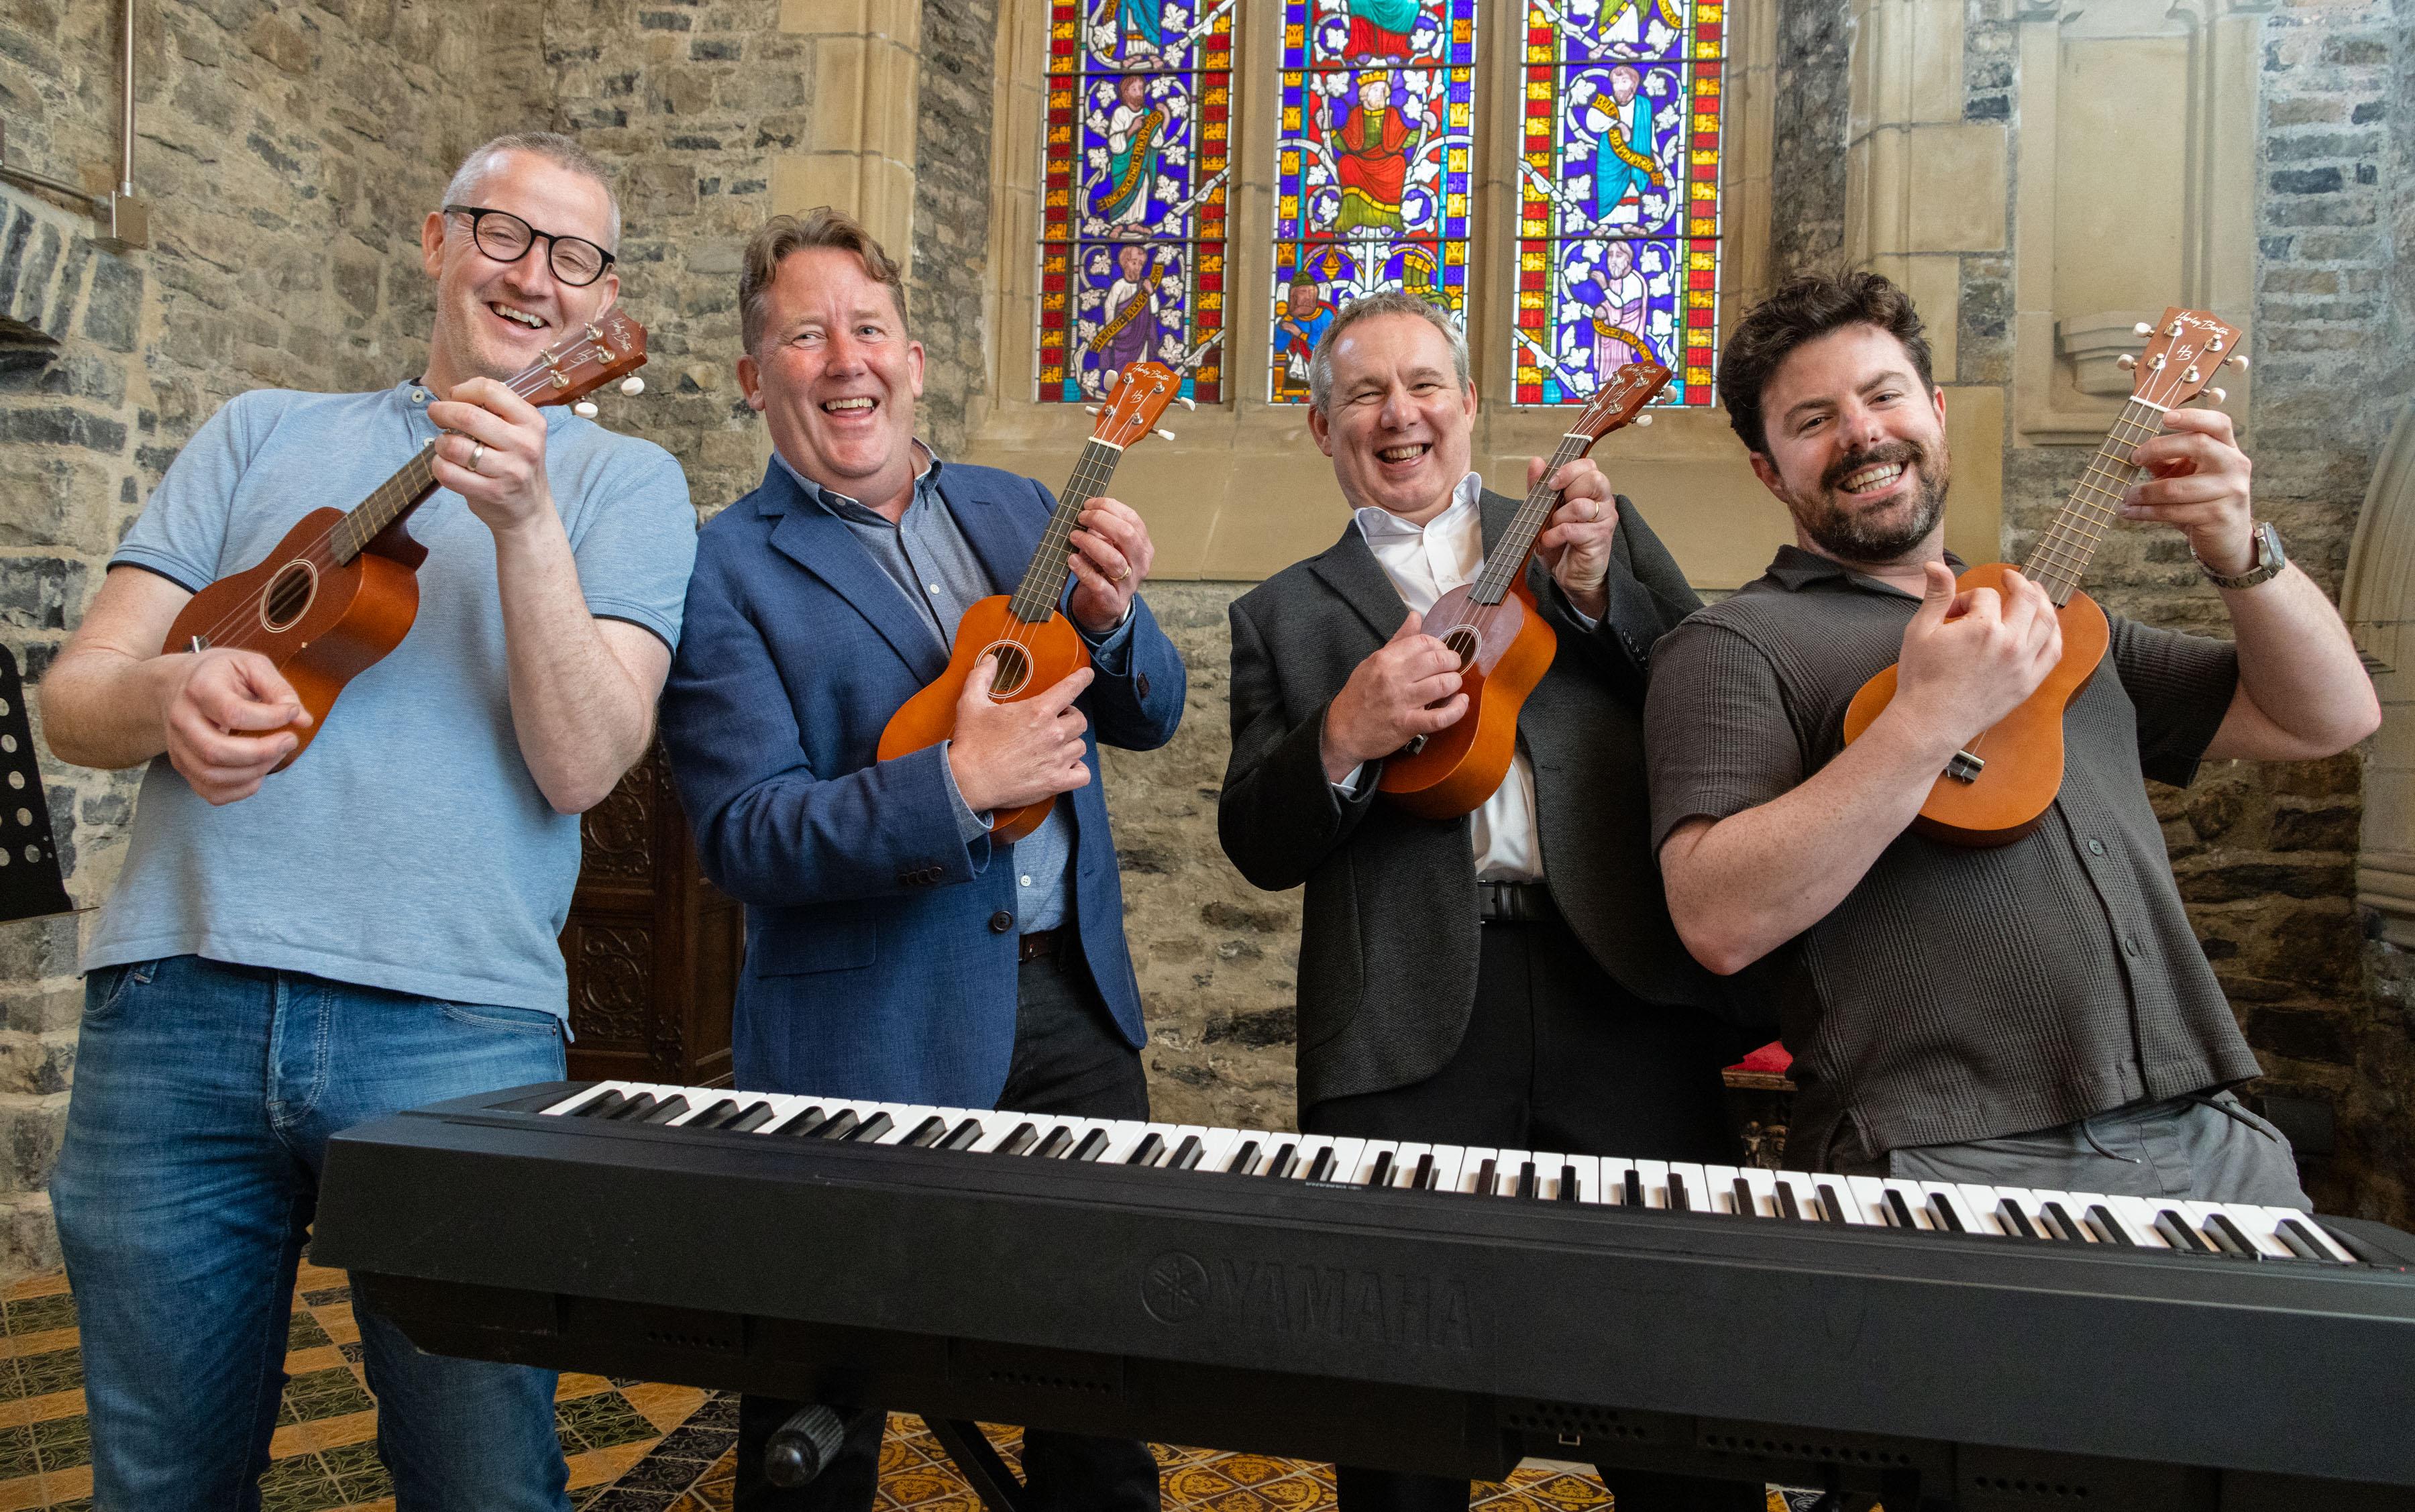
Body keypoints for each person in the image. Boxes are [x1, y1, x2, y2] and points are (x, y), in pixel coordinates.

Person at [36, 131, 698, 1511]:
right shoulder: (261, 429)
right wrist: (168, 693)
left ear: (602, 303)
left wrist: (523, 520)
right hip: (174, 1004)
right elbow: (76, 700)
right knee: (154, 1481)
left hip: (453, 1030)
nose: (536, 278)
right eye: (505, 234)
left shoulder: (627, 488)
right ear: (435, 239)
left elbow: (582, 761)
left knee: (483, 1483)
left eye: (576, 259)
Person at [658, 208, 1183, 1512]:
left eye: (870, 328)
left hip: (1070, 1008)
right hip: (860, 1029)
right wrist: (951, 786)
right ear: (753, 377)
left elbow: (1152, 710)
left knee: (1095, 1389)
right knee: (820, 1419)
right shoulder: (721, 567)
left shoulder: (1020, 513)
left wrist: (1114, 624)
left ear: (917, 356)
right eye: (806, 333)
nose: (847, 359)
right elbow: (746, 833)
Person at [1648, 271, 2380, 1203]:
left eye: (1883, 395)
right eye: (1813, 419)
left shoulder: (2055, 619)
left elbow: (2328, 715)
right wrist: (1928, 719)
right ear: (1768, 470)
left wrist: (2244, 552)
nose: (1863, 432)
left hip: (2216, 1136)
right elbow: (1717, 918)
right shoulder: (1732, 645)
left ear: (1936, 412)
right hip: (1949, 1152)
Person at [1218, 291, 1758, 1512]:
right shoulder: (1282, 615)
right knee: (1403, 1411)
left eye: (1424, 386)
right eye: (1363, 395)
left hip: (1615, 990)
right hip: (1403, 1022)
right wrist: (1343, 735)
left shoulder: (1581, 530)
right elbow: (1255, 839)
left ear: (1470, 405)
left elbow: (1709, 692)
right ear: (1321, 429)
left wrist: (1602, 591)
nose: (1398, 415)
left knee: (1679, 1392)